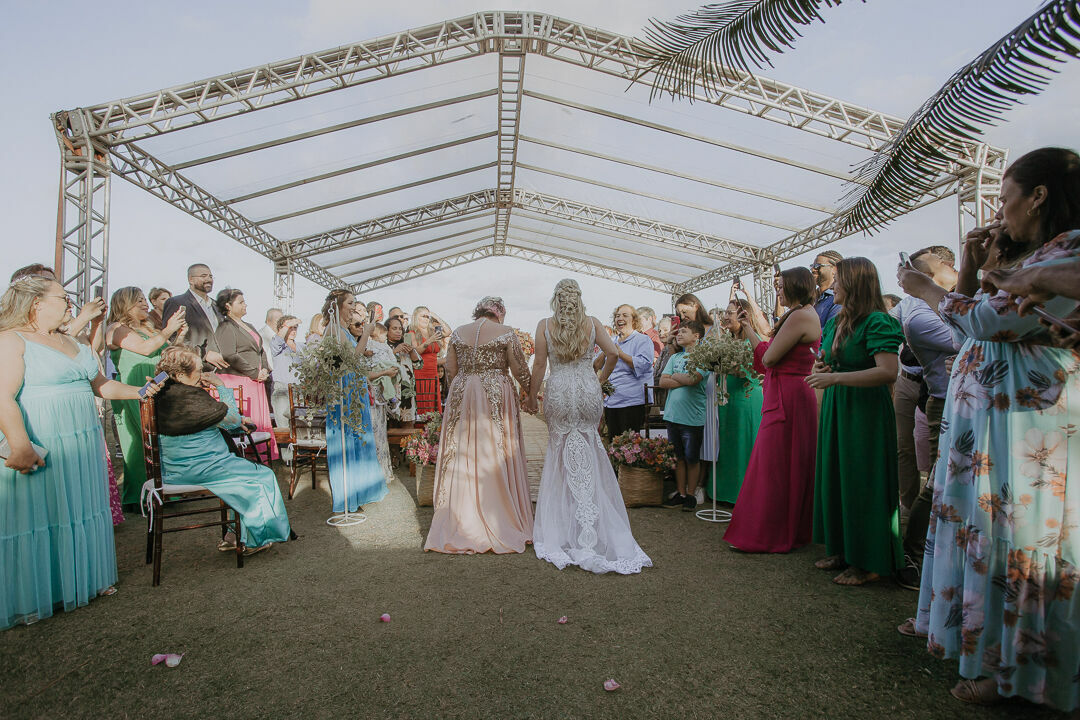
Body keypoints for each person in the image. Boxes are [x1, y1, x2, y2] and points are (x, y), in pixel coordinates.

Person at [899, 147, 1079, 710]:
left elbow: (989, 320)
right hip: (988, 425)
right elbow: (977, 310)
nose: (1000, 211)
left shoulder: (1069, 251)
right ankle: (965, 635)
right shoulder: (1038, 252)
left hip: (1026, 427)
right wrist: (974, 267)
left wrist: (924, 287)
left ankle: (1015, 672)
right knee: (979, 532)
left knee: (1017, 538)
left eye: (1005, 198)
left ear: (1039, 195)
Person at [1, 276, 163, 629]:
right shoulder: (11, 341)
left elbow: (100, 384)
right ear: (36, 304)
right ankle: (36, 593)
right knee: (40, 513)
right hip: (41, 435)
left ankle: (82, 580)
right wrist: (19, 444)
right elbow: (2, 396)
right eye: (62, 298)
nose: (70, 304)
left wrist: (141, 391)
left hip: (81, 437)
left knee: (79, 505)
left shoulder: (69, 340)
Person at [527, 280, 652, 574]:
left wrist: (531, 395)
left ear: (556, 300)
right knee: (592, 450)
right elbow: (612, 354)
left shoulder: (544, 324)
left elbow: (539, 366)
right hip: (586, 390)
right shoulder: (593, 323)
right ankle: (593, 521)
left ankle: (563, 525)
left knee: (559, 452)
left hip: (559, 390)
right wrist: (598, 379)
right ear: (578, 299)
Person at [806, 257, 904, 586]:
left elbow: (888, 372)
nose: (832, 287)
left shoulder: (878, 321)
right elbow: (829, 361)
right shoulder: (836, 322)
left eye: (838, 281)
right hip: (837, 407)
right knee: (836, 476)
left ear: (854, 284)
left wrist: (836, 380)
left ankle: (869, 561)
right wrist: (823, 370)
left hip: (865, 411)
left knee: (863, 481)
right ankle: (843, 549)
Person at [152, 346, 291, 554]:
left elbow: (204, 422)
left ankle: (234, 534)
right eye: (199, 370)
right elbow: (232, 419)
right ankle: (254, 538)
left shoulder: (163, 391)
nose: (204, 374)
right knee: (262, 476)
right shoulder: (191, 398)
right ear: (181, 375)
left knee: (255, 474)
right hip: (202, 466)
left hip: (176, 466)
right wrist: (221, 386)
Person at [424, 297, 533, 554]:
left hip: (463, 391)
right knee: (495, 448)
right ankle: (499, 512)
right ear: (500, 314)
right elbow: (519, 369)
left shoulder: (460, 332)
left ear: (478, 312)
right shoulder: (506, 332)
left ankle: (460, 515)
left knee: (463, 449)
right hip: (495, 390)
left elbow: (450, 369)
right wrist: (530, 392)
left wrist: (462, 388)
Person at [723, 268, 821, 552]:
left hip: (789, 396)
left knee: (774, 465)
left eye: (781, 286)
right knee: (777, 463)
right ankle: (779, 528)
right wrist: (749, 328)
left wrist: (764, 347)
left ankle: (767, 533)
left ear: (796, 286)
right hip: (785, 391)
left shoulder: (802, 315)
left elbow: (769, 356)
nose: (778, 291)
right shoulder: (798, 314)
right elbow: (767, 357)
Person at [893, 246, 959, 590]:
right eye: (949, 266)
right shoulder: (920, 314)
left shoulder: (943, 303)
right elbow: (970, 337)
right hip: (945, 401)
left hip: (957, 399)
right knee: (936, 483)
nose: (956, 270)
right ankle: (913, 554)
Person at [106, 286, 188, 507]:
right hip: (134, 390)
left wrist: (179, 335)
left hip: (158, 387)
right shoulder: (116, 328)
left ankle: (164, 489)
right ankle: (138, 497)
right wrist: (168, 330)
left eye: (144, 300)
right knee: (141, 443)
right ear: (124, 305)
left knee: (160, 441)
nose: (145, 304)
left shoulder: (150, 328)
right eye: (139, 301)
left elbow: (167, 355)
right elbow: (143, 349)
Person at [321, 290, 387, 512]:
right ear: (338, 305)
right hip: (344, 391)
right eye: (350, 303)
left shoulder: (341, 329)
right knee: (347, 440)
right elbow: (351, 358)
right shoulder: (333, 329)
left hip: (353, 387)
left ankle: (359, 491)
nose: (354, 307)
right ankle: (348, 494)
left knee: (358, 437)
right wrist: (366, 333)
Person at [709, 288, 769, 503]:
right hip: (725, 401)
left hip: (745, 400)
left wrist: (721, 364)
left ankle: (745, 495)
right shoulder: (725, 342)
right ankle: (724, 492)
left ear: (745, 316)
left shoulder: (753, 342)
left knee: (744, 446)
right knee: (725, 447)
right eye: (725, 312)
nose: (725, 316)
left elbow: (747, 371)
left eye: (730, 313)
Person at [213, 288, 278, 460]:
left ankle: (261, 456)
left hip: (256, 379)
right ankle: (246, 456)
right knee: (247, 418)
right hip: (238, 379)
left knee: (259, 419)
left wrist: (264, 368)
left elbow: (260, 350)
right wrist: (253, 372)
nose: (245, 304)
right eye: (240, 302)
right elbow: (230, 354)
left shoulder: (249, 325)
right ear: (228, 305)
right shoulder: (225, 326)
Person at [659, 320, 709, 512]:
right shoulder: (675, 357)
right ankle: (680, 493)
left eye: (684, 331)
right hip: (673, 416)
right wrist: (683, 378)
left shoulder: (703, 357)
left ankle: (690, 494)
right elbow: (663, 382)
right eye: (678, 332)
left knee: (692, 458)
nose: (678, 335)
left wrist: (675, 377)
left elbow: (693, 379)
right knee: (678, 457)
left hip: (692, 418)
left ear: (696, 336)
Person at [600, 304, 654, 442]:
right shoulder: (611, 341)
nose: (620, 318)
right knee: (613, 443)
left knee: (629, 445)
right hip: (612, 401)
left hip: (632, 402)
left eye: (625, 315)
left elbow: (644, 364)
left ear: (634, 320)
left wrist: (620, 354)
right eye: (617, 315)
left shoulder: (642, 340)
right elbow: (598, 363)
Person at [350, 317, 394, 484]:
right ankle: (372, 475)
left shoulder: (376, 347)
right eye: (357, 325)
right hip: (365, 394)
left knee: (380, 433)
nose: (361, 328)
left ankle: (382, 471)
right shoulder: (359, 347)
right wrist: (384, 373)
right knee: (372, 435)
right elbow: (363, 373)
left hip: (377, 395)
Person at [162, 264, 228, 371]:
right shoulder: (176, 302)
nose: (208, 279)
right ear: (190, 280)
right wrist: (203, 354)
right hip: (193, 368)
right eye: (203, 276)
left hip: (222, 370)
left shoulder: (217, 306)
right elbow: (172, 338)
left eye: (211, 276)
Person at [407, 306, 446, 414]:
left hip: (433, 374)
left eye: (427, 316)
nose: (426, 319)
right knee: (422, 403)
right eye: (423, 316)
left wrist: (436, 317)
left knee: (434, 407)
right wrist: (429, 341)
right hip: (420, 373)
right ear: (416, 317)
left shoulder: (432, 331)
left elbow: (448, 331)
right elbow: (415, 353)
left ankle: (433, 429)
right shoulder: (411, 333)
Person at [269, 314, 302, 433]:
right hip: (282, 389)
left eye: (295, 327)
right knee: (284, 429)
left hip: (299, 391)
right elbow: (277, 340)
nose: (293, 330)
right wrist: (287, 324)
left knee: (299, 428)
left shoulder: (301, 347)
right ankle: (285, 452)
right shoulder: (277, 345)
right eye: (290, 328)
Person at [386, 315, 420, 426]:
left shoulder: (406, 345)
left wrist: (412, 351)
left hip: (407, 393)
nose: (398, 331)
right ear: (387, 330)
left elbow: (419, 365)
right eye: (394, 328)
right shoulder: (383, 346)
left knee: (408, 427)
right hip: (391, 393)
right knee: (391, 425)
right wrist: (395, 351)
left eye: (400, 329)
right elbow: (381, 364)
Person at [810, 250, 843, 328]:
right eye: (812, 266)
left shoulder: (839, 299)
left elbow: (830, 333)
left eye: (818, 266)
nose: (813, 270)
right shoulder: (811, 297)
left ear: (835, 269)